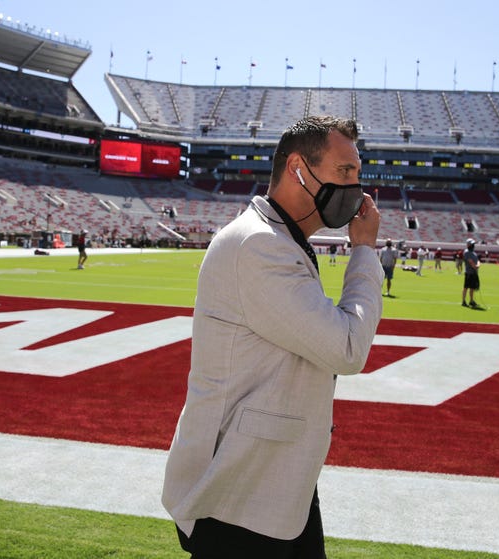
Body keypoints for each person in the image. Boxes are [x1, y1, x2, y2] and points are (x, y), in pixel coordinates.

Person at [161, 116, 383, 559]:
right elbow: (346, 348)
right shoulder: (259, 245)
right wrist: (363, 249)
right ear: (298, 168)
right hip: (238, 492)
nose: (358, 189)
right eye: (345, 172)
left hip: (274, 481)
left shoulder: (279, 238)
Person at [461, 238, 481, 307]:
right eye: (472, 244)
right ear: (468, 244)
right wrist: (477, 266)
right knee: (466, 287)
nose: (473, 245)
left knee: (472, 287)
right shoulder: (467, 252)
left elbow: (478, 260)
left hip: (474, 272)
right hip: (469, 272)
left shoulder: (473, 252)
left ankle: (471, 300)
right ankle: (463, 301)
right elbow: (471, 262)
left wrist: (478, 264)